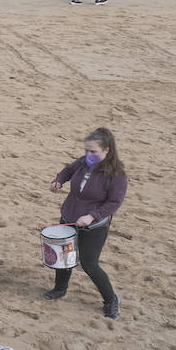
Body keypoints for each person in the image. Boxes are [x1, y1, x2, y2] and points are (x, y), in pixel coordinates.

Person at [43, 128, 127, 319]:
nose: (88, 155)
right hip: (69, 218)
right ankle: (60, 289)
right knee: (64, 257)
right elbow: (68, 170)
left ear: (107, 150)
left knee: (89, 264)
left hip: (94, 227)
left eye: (93, 151)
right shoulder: (83, 162)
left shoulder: (117, 175)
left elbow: (114, 203)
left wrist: (92, 216)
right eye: (86, 150)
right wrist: (58, 181)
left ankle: (111, 299)